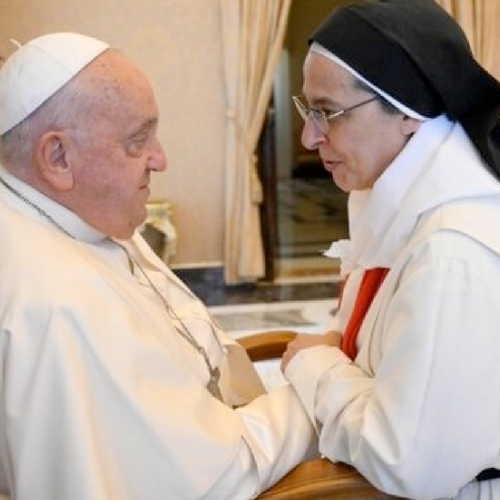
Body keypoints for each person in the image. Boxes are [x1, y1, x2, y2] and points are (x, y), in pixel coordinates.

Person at [0, 32, 317, 500]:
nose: (161, 159)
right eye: (137, 140)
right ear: (58, 157)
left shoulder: (80, 213)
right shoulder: (60, 306)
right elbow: (210, 478)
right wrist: (319, 387)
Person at [280, 1, 500, 499]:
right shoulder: (394, 200)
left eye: (327, 112)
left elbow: (405, 463)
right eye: (308, 110)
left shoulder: (452, 254)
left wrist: (317, 366)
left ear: (406, 111)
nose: (309, 136)